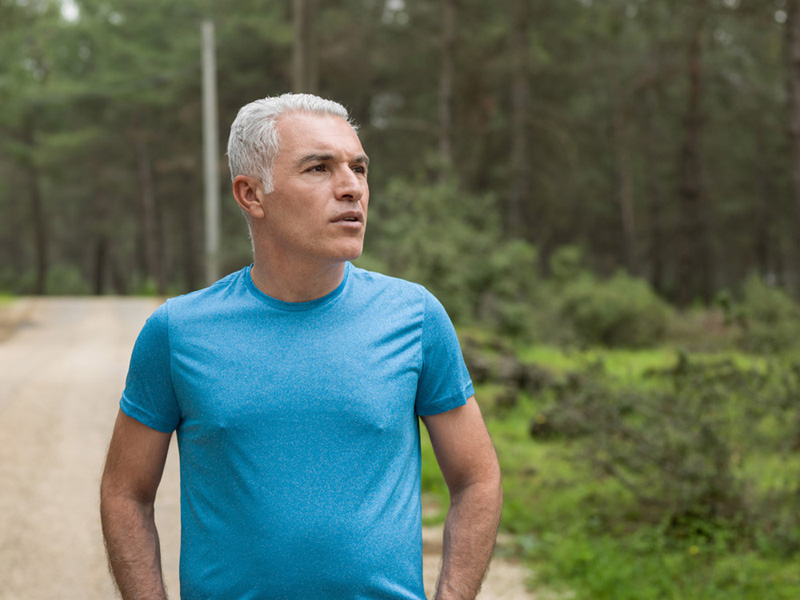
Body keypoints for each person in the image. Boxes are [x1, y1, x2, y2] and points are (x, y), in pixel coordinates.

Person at [100, 93, 502, 600]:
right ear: (251, 195)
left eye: (359, 168)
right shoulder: (177, 332)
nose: (351, 187)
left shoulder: (416, 318)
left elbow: (477, 478)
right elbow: (124, 493)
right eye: (319, 168)